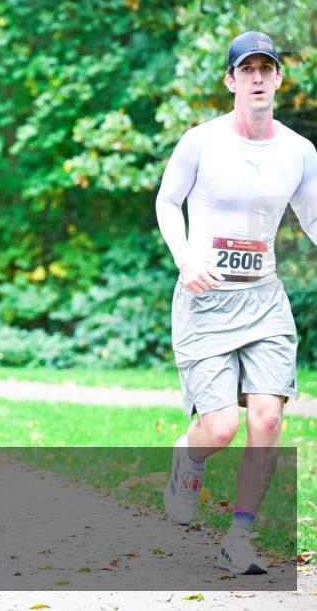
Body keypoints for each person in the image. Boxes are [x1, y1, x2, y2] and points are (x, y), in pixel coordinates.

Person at [156, 31, 316, 575]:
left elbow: (313, 220)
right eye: (245, 69)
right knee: (220, 426)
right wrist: (184, 257)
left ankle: (239, 537)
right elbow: (166, 201)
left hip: (265, 300)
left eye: (265, 69)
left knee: (268, 419)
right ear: (229, 80)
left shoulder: (298, 151)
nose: (255, 78)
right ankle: (189, 457)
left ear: (277, 80)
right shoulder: (200, 141)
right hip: (205, 299)